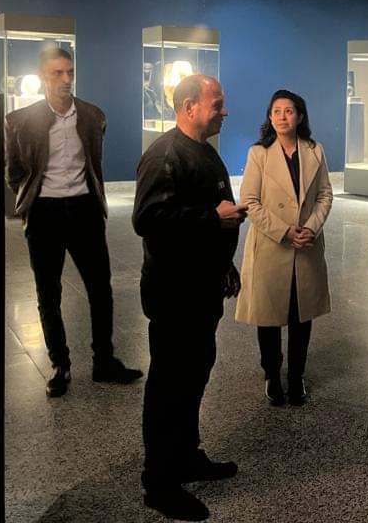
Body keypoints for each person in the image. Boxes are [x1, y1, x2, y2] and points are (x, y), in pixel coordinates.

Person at [133, 74, 247, 521]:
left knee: (193, 376)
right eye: (217, 103)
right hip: (174, 292)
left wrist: (224, 264)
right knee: (170, 384)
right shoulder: (165, 154)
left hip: (201, 288)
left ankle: (185, 456)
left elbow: (217, 213)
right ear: (189, 107)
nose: (224, 110)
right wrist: (210, 218)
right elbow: (148, 219)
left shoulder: (205, 152)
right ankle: (160, 482)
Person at [5, 47, 142, 397]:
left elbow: (93, 162)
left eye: (70, 72)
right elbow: (14, 171)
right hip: (44, 212)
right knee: (48, 292)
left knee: (100, 288)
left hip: (84, 209)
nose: (66, 79)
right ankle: (59, 365)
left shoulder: (93, 115)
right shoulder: (19, 120)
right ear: (43, 76)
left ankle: (104, 361)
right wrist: (30, 203)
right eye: (57, 73)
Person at [235, 90, 334, 407]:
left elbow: (325, 195)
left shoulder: (315, 150)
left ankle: (296, 376)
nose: (282, 116)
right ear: (269, 117)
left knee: (301, 314)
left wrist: (311, 227)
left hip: (306, 243)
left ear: (300, 116)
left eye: (288, 111)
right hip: (272, 243)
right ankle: (272, 374)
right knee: (268, 315)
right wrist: (285, 231)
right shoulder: (259, 153)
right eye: (276, 111)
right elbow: (250, 202)